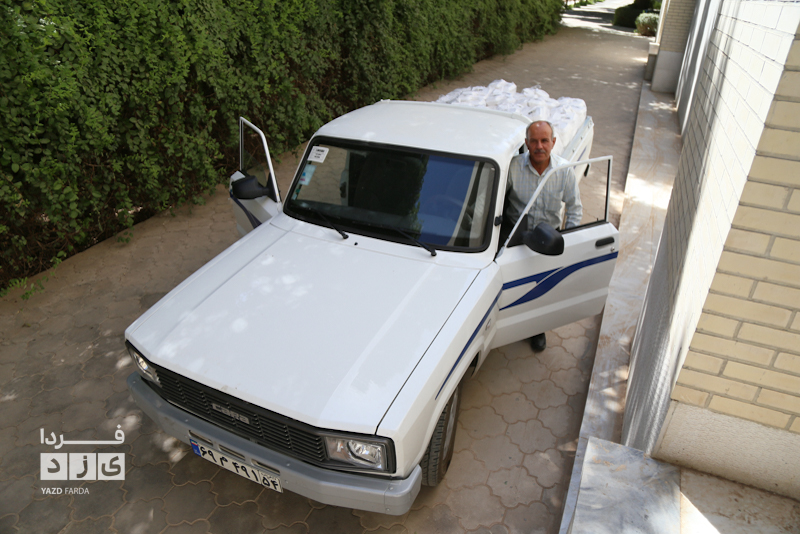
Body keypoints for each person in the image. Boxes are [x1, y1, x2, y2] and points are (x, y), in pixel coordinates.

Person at [506, 120, 583, 352]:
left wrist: (567, 243)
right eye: (534, 141)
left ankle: (537, 329)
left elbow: (574, 208)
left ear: (553, 142)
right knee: (514, 284)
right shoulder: (512, 168)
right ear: (526, 143)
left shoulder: (563, 170)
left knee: (542, 289)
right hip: (517, 236)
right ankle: (510, 323)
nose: (539, 146)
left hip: (549, 239)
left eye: (544, 141)